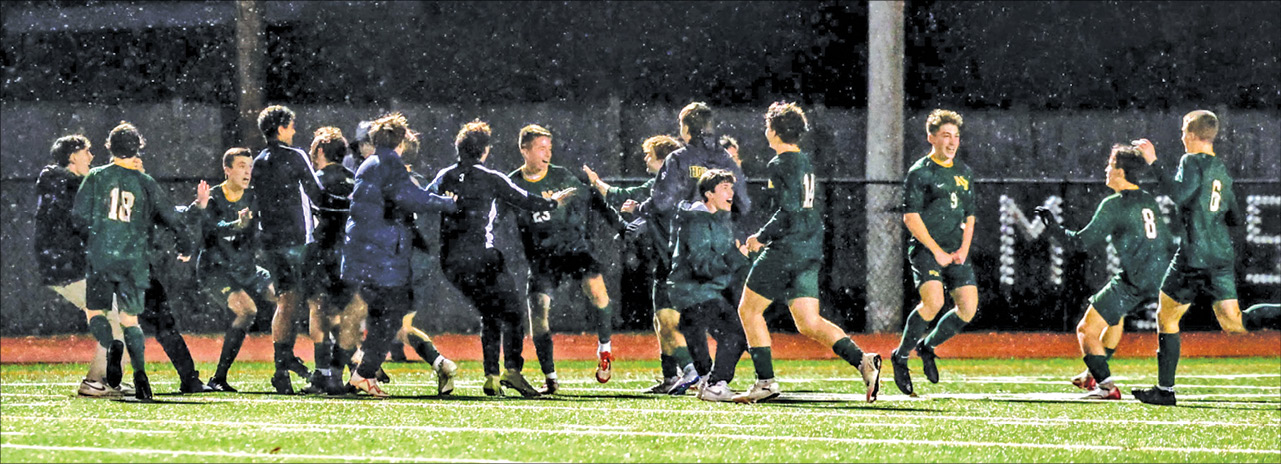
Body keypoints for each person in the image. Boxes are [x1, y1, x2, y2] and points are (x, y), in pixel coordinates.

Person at [733, 102, 881, 404]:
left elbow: (787, 210)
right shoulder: (806, 161)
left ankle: (765, 382)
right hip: (809, 248)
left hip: (786, 248)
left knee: (748, 310)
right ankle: (862, 361)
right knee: (808, 321)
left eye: (767, 127)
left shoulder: (779, 164)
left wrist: (759, 237)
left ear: (773, 132)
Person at [1130, 110, 1280, 405]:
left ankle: (1165, 391)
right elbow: (1235, 217)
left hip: (1193, 254)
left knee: (1166, 316)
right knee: (1235, 323)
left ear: (1193, 135)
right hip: (1220, 254)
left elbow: (1179, 194)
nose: (1181, 137)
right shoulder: (1221, 170)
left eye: (1184, 131)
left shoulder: (1190, 161)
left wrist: (1153, 161)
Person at [428, 120, 573, 398]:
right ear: (484, 151)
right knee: (514, 313)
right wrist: (553, 202)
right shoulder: (490, 177)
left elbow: (422, 198)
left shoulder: (445, 176)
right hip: (482, 258)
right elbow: (526, 200)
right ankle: (511, 372)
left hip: (451, 263)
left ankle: (492, 377)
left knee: (490, 312)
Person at [1032, 143, 1174, 400]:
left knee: (1085, 329)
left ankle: (1107, 386)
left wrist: (1052, 226)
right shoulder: (1148, 199)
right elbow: (1162, 241)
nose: (1106, 169)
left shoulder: (1114, 205)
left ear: (1121, 172)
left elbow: (1079, 243)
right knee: (1114, 318)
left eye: (1111, 165)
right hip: (1160, 275)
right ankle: (1091, 374)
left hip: (1135, 279)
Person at [632, 102, 752, 394]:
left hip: (684, 250)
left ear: (686, 128)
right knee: (725, 325)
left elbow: (661, 202)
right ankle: (712, 378)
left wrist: (642, 208)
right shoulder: (724, 158)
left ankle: (703, 377)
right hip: (721, 249)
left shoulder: (679, 158)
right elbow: (744, 204)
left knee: (684, 316)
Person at [72, 121, 196, 400]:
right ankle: (141, 376)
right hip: (134, 261)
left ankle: (111, 343)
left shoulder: (96, 176)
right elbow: (173, 219)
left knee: (96, 313)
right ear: (138, 148)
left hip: (102, 258)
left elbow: (78, 218)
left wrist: (97, 237)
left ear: (109, 148)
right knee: (131, 320)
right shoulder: (145, 181)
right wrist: (185, 245)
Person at [341, 113, 458, 398]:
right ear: (401, 142)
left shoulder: (369, 163)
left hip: (362, 252)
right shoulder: (390, 164)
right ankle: (363, 372)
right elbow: (411, 198)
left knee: (378, 314)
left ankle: (353, 370)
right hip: (381, 255)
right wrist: (448, 203)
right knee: (393, 314)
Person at [508, 124, 625, 394]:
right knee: (538, 312)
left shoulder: (562, 177)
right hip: (541, 257)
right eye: (541, 148)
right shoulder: (512, 182)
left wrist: (618, 225)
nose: (547, 153)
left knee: (599, 293)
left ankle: (605, 351)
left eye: (549, 148)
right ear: (524, 150)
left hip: (573, 249)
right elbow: (495, 213)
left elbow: (593, 197)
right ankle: (550, 378)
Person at [888, 109, 978, 397]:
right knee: (934, 302)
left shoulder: (964, 172)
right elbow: (910, 217)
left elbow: (970, 216)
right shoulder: (920, 172)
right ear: (931, 138)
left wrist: (963, 249)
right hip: (927, 250)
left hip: (955, 250)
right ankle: (900, 356)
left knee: (968, 308)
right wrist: (937, 251)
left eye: (956, 136)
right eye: (945, 136)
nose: (952, 142)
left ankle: (927, 346)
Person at [36, 135, 127, 397]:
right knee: (114, 317)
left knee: (117, 316)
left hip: (69, 265)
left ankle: (108, 380)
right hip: (65, 267)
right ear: (73, 155)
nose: (91, 157)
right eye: (86, 152)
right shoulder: (61, 181)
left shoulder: (65, 183)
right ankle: (95, 381)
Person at [251, 105, 321, 394]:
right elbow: (316, 192)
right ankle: (329, 369)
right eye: (291, 126)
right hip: (297, 241)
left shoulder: (260, 161)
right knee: (318, 302)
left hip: (270, 242)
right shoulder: (295, 157)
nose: (294, 131)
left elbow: (255, 203)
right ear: (280, 128)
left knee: (286, 301)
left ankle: (283, 364)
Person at [666, 169, 750, 402]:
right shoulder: (698, 220)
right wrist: (737, 256)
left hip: (699, 292)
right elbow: (701, 265)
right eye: (724, 188)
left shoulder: (716, 219)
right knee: (736, 335)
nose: (731, 192)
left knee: (709, 334)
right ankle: (714, 383)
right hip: (694, 292)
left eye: (731, 187)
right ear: (708, 194)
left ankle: (706, 379)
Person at [196, 147, 275, 392]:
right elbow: (211, 228)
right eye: (241, 165)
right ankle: (219, 377)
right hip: (216, 269)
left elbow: (258, 231)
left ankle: (285, 364)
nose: (247, 171)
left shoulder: (253, 197)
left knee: (284, 298)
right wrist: (235, 224)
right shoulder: (214, 197)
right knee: (247, 310)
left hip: (245, 267)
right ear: (227, 170)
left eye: (249, 166)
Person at [583, 135, 679, 335]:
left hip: (677, 265)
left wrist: (598, 184)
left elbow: (624, 197)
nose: (645, 159)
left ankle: (695, 366)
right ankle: (685, 366)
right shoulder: (668, 183)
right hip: (670, 263)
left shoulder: (667, 186)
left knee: (674, 323)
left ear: (662, 161)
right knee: (663, 322)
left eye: (649, 155)